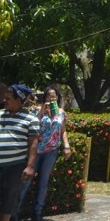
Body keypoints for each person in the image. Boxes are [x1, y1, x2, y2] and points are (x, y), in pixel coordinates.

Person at [18, 87, 70, 221]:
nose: (51, 99)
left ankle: (37, 214)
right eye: (49, 97)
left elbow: (62, 130)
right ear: (45, 98)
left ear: (57, 98)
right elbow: (32, 126)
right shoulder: (37, 110)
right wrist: (41, 113)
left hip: (51, 151)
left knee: (43, 183)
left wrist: (66, 146)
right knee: (26, 182)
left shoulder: (61, 112)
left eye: (54, 97)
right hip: (36, 151)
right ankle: (15, 213)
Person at [0, 84, 40, 221]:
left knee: (8, 200)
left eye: (8, 98)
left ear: (19, 100)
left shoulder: (31, 119)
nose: (4, 100)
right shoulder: (0, 114)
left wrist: (30, 166)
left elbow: (33, 145)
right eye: (4, 98)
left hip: (14, 166)